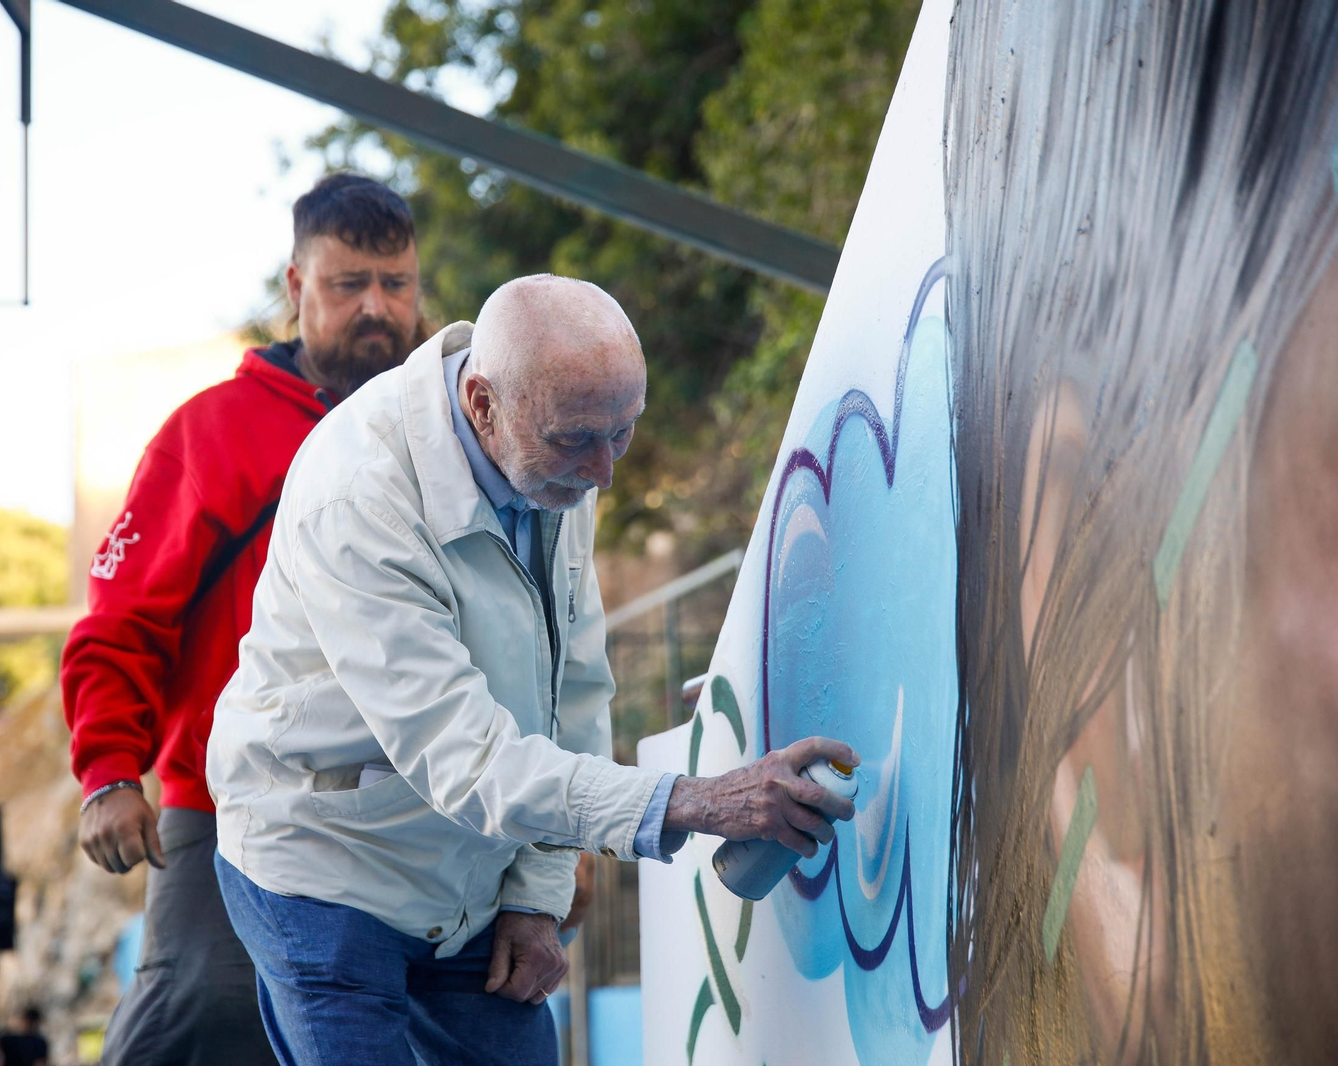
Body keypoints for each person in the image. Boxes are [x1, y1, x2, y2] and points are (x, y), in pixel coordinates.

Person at [208, 275, 860, 1064]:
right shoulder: (356, 496)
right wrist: (693, 801)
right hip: (326, 870)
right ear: (483, 402)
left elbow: (573, 690)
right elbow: (463, 753)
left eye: (624, 433)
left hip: (469, 875)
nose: (603, 472)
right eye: (580, 439)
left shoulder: (550, 444)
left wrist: (536, 896)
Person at [60, 173, 423, 1065]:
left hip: (416, 815)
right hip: (231, 809)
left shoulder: (447, 429)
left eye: (397, 284)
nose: (376, 307)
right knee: (192, 1025)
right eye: (348, 285)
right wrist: (110, 770)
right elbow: (120, 622)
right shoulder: (209, 433)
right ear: (296, 287)